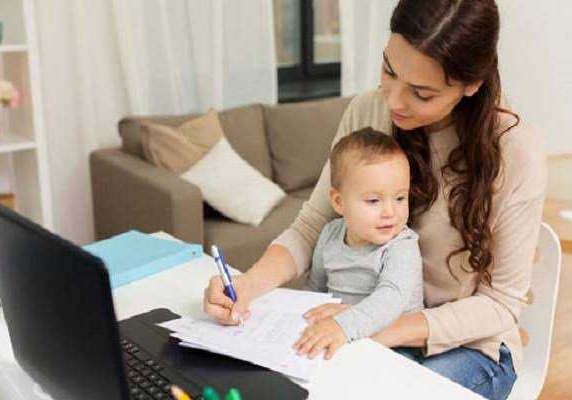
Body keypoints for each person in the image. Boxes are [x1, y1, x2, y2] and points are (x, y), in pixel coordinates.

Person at [203, 0, 546, 398]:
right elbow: (315, 224)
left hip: (466, 346)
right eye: (388, 70)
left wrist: (375, 327)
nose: (394, 100)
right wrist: (247, 285)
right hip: (364, 323)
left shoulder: (514, 153)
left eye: (420, 93)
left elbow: (500, 305)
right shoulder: (369, 109)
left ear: (471, 85)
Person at [292, 128, 424, 360]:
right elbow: (315, 289)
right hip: (339, 337)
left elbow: (390, 299)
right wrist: (301, 320)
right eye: (374, 201)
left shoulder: (401, 246)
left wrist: (341, 327)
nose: (390, 212)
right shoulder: (330, 235)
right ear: (339, 201)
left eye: (400, 198)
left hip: (394, 347)